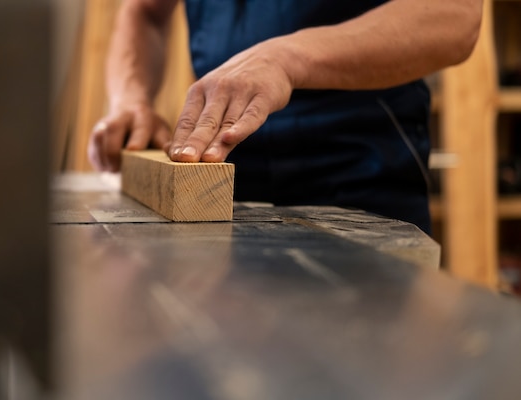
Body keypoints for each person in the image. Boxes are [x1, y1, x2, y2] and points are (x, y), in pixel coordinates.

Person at [88, 0, 483, 234]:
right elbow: (145, 11)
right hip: (219, 174)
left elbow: (453, 16)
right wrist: (130, 98)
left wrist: (288, 58)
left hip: (362, 170)